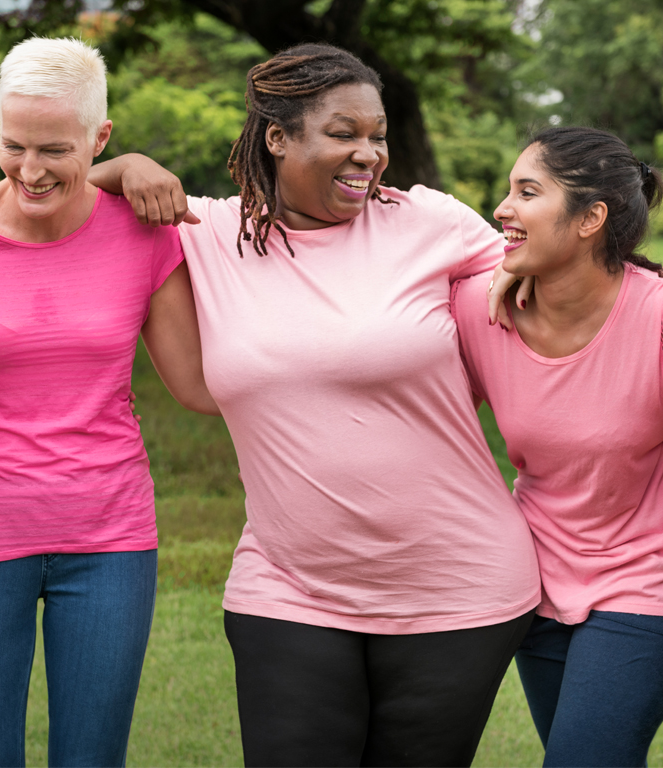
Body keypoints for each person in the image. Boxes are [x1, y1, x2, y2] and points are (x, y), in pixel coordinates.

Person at [88, 43, 541, 767]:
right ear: (277, 136)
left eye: (378, 136)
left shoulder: (432, 224)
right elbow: (41, 191)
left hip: (459, 587)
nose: (369, 154)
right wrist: (120, 165)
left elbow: (553, 286)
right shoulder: (207, 234)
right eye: (344, 133)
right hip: (288, 588)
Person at [0, 37, 215, 767]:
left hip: (109, 539)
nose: (28, 169)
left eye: (55, 148)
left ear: (100, 137)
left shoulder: (143, 233)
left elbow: (197, 386)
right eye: (12, 145)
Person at [451, 126, 663, 767]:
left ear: (590, 218)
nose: (501, 209)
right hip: (535, 584)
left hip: (645, 582)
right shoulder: (476, 310)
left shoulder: (655, 321)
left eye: (527, 192)